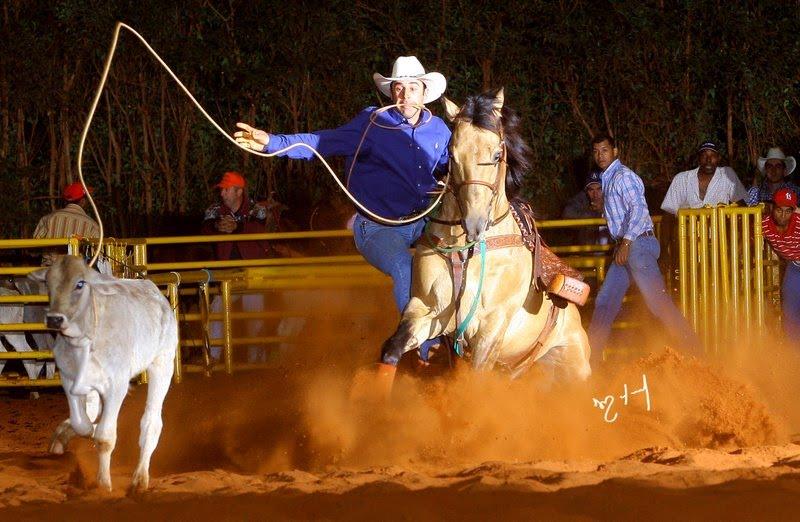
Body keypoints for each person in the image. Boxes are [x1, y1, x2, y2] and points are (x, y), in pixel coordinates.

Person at [233, 55, 450, 364]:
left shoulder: (439, 130)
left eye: (411, 88)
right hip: (377, 227)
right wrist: (271, 142)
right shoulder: (373, 123)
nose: (404, 95)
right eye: (398, 88)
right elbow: (322, 141)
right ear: (392, 92)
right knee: (405, 267)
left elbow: (453, 167)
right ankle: (426, 349)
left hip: (422, 221)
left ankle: (466, 336)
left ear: (424, 91)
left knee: (461, 254)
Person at [586, 135, 700, 363]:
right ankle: (589, 362)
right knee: (605, 301)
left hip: (635, 245)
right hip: (629, 246)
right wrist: (624, 243)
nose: (600, 155)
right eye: (596, 151)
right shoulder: (610, 178)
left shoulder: (622, 176)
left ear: (615, 151)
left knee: (657, 303)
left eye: (604, 150)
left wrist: (626, 242)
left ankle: (696, 354)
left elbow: (638, 209)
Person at [201, 171, 272, 362]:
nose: (222, 193)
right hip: (227, 273)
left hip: (252, 272)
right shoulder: (215, 210)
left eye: (226, 189)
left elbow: (260, 229)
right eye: (222, 190)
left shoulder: (257, 210)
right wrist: (218, 226)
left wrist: (236, 227)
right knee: (218, 311)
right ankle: (213, 358)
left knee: (254, 317)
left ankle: (256, 360)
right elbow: (205, 229)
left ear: (239, 191)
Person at [660, 141, 748, 214]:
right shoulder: (682, 179)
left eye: (713, 155)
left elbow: (741, 204)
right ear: (698, 158)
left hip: (718, 229)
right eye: (704, 155)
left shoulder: (727, 174)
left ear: (718, 158)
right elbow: (669, 210)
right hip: (687, 229)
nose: (708, 159)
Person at [761, 188, 800, 340]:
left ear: (794, 211)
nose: (783, 215)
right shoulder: (764, 224)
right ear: (772, 207)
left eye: (788, 211)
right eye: (779, 210)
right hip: (795, 266)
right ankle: (793, 349)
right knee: (789, 309)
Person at [33, 182, 101, 265]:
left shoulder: (48, 218)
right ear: (83, 201)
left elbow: (35, 244)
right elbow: (97, 253)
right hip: (75, 270)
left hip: (49, 269)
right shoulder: (92, 225)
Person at [562, 169, 611, 246]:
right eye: (591, 190)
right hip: (587, 248)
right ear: (586, 191)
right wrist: (592, 212)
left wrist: (604, 209)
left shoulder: (613, 198)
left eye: (599, 189)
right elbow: (567, 214)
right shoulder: (582, 198)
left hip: (611, 249)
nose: (595, 194)